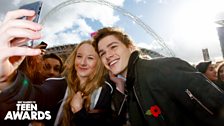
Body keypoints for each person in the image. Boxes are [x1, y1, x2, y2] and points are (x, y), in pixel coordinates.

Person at [92, 27, 224, 126]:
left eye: (113, 47)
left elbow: (217, 108)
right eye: (102, 53)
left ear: (130, 47)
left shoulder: (163, 68)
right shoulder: (131, 88)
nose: (108, 55)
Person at [0, 9, 67, 126]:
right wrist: (7, 79)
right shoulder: (23, 84)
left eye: (56, 69)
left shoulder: (58, 94)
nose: (51, 72)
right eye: (46, 66)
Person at [55, 40, 119, 126]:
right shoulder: (60, 83)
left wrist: (79, 111)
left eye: (90, 58)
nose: (82, 63)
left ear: (99, 63)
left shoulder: (105, 90)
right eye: (79, 56)